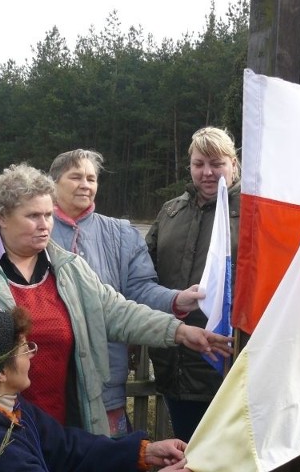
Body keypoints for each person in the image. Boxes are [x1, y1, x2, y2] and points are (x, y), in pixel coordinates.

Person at [0, 162, 232, 437]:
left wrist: (179, 332)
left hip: (65, 424)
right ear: (2, 217)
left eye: (49, 215)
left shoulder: (70, 268)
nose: (45, 225)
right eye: (33, 215)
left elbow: (117, 312)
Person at [0, 304, 193, 472]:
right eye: (24, 348)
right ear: (1, 372)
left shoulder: (6, 406)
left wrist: (142, 452)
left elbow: (68, 448)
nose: (32, 354)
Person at [48, 149, 203, 437]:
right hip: (47, 380)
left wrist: (175, 299)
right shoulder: (36, 230)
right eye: (76, 177)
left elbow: (140, 289)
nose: (86, 184)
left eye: (92, 178)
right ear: (53, 182)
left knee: (106, 457)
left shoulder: (121, 234)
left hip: (105, 380)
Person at [145, 126, 241, 442]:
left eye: (217, 163)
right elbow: (145, 274)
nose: (208, 172)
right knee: (188, 451)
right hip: (176, 360)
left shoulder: (253, 215)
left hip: (229, 364)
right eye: (199, 163)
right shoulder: (171, 212)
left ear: (233, 164)